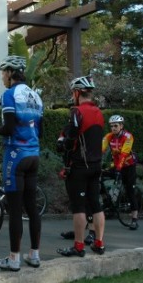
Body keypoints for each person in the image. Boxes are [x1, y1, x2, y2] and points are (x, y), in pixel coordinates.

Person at [0, 55, 43, 271]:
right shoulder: (36, 97)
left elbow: (8, 128)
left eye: (3, 73)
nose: (2, 77)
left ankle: (14, 259)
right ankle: (34, 255)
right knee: (32, 207)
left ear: (10, 73)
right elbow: (41, 130)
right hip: (34, 155)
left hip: (16, 156)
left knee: (16, 209)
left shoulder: (9, 94)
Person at [56, 75, 106, 257]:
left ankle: (78, 246)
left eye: (72, 92)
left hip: (79, 167)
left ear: (77, 92)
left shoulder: (77, 112)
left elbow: (70, 142)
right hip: (96, 165)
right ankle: (99, 243)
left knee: (79, 207)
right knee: (96, 205)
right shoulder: (99, 113)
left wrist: (62, 143)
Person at [102, 114, 139, 230]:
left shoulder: (128, 137)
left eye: (116, 126)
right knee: (100, 176)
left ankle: (134, 219)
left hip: (129, 167)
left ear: (121, 126)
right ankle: (107, 201)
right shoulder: (108, 136)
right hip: (117, 165)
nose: (113, 128)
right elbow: (100, 150)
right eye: (111, 126)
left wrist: (118, 169)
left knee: (130, 191)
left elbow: (124, 154)